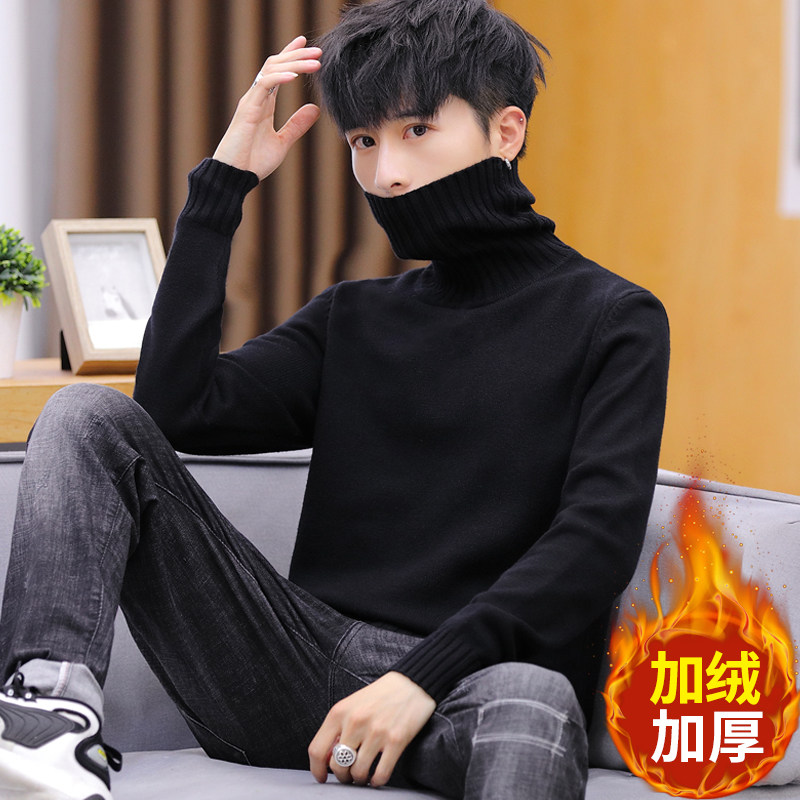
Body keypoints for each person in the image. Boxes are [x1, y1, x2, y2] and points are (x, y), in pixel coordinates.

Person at [0, 1, 669, 798]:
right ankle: (49, 722)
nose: (387, 175)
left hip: (464, 689)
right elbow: (176, 411)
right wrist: (222, 187)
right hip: (291, 667)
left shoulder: (614, 319)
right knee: (85, 416)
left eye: (416, 130)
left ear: (506, 132)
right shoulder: (353, 317)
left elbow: (594, 543)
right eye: (363, 142)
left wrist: (420, 677)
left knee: (533, 698)